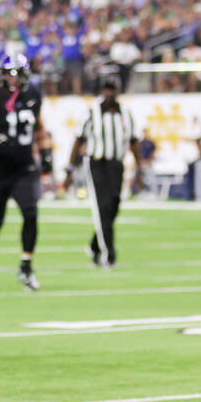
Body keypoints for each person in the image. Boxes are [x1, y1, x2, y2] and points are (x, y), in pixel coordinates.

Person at [0, 52, 46, 292]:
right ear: (2, 75)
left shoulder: (33, 95)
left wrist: (46, 153)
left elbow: (40, 128)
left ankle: (26, 266)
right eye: (10, 74)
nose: (14, 79)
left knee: (31, 212)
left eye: (18, 74)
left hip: (23, 168)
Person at [67, 79, 141, 268]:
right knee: (102, 207)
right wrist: (70, 167)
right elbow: (78, 139)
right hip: (97, 163)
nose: (109, 94)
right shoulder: (92, 112)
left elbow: (133, 142)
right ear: (102, 91)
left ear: (117, 92)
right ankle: (109, 254)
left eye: (112, 90)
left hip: (117, 164)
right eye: (106, 90)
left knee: (114, 206)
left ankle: (94, 246)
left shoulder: (126, 113)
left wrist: (140, 169)